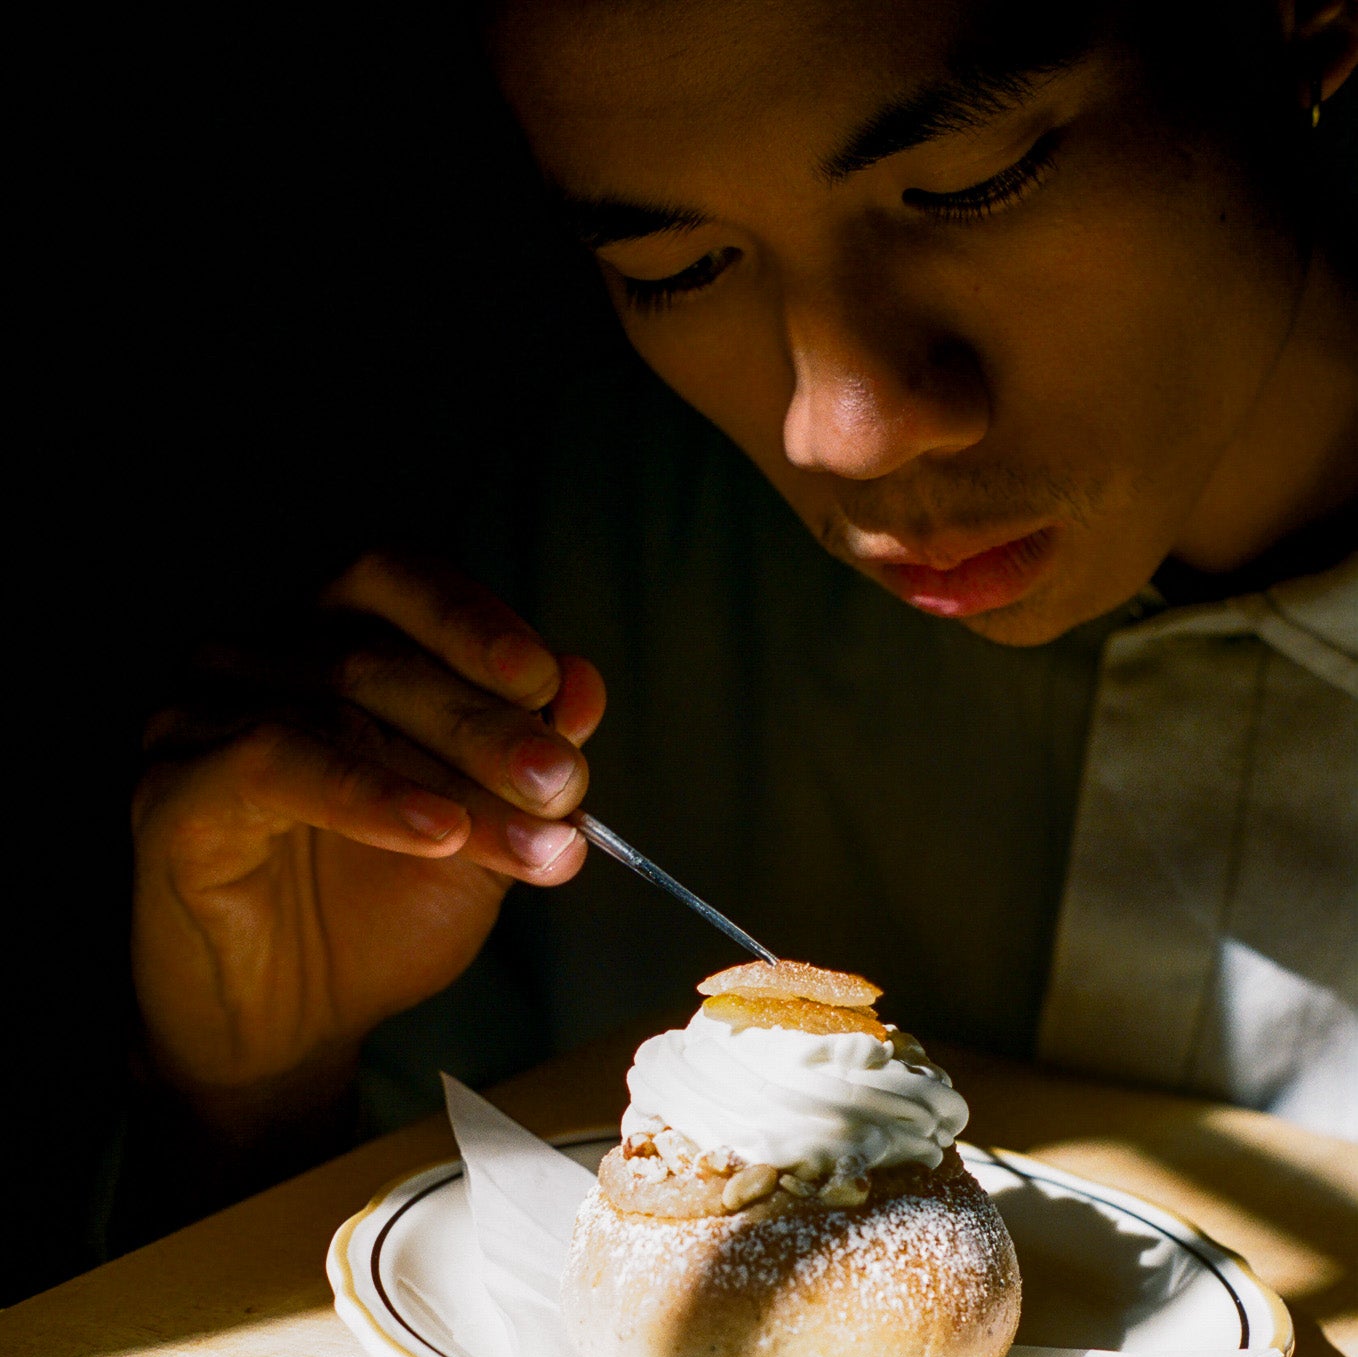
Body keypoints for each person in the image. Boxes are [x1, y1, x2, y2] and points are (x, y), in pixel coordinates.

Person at [123, 0, 1358, 1248]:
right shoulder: (565, 598)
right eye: (675, 269)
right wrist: (259, 1092)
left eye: (972, 184)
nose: (845, 429)